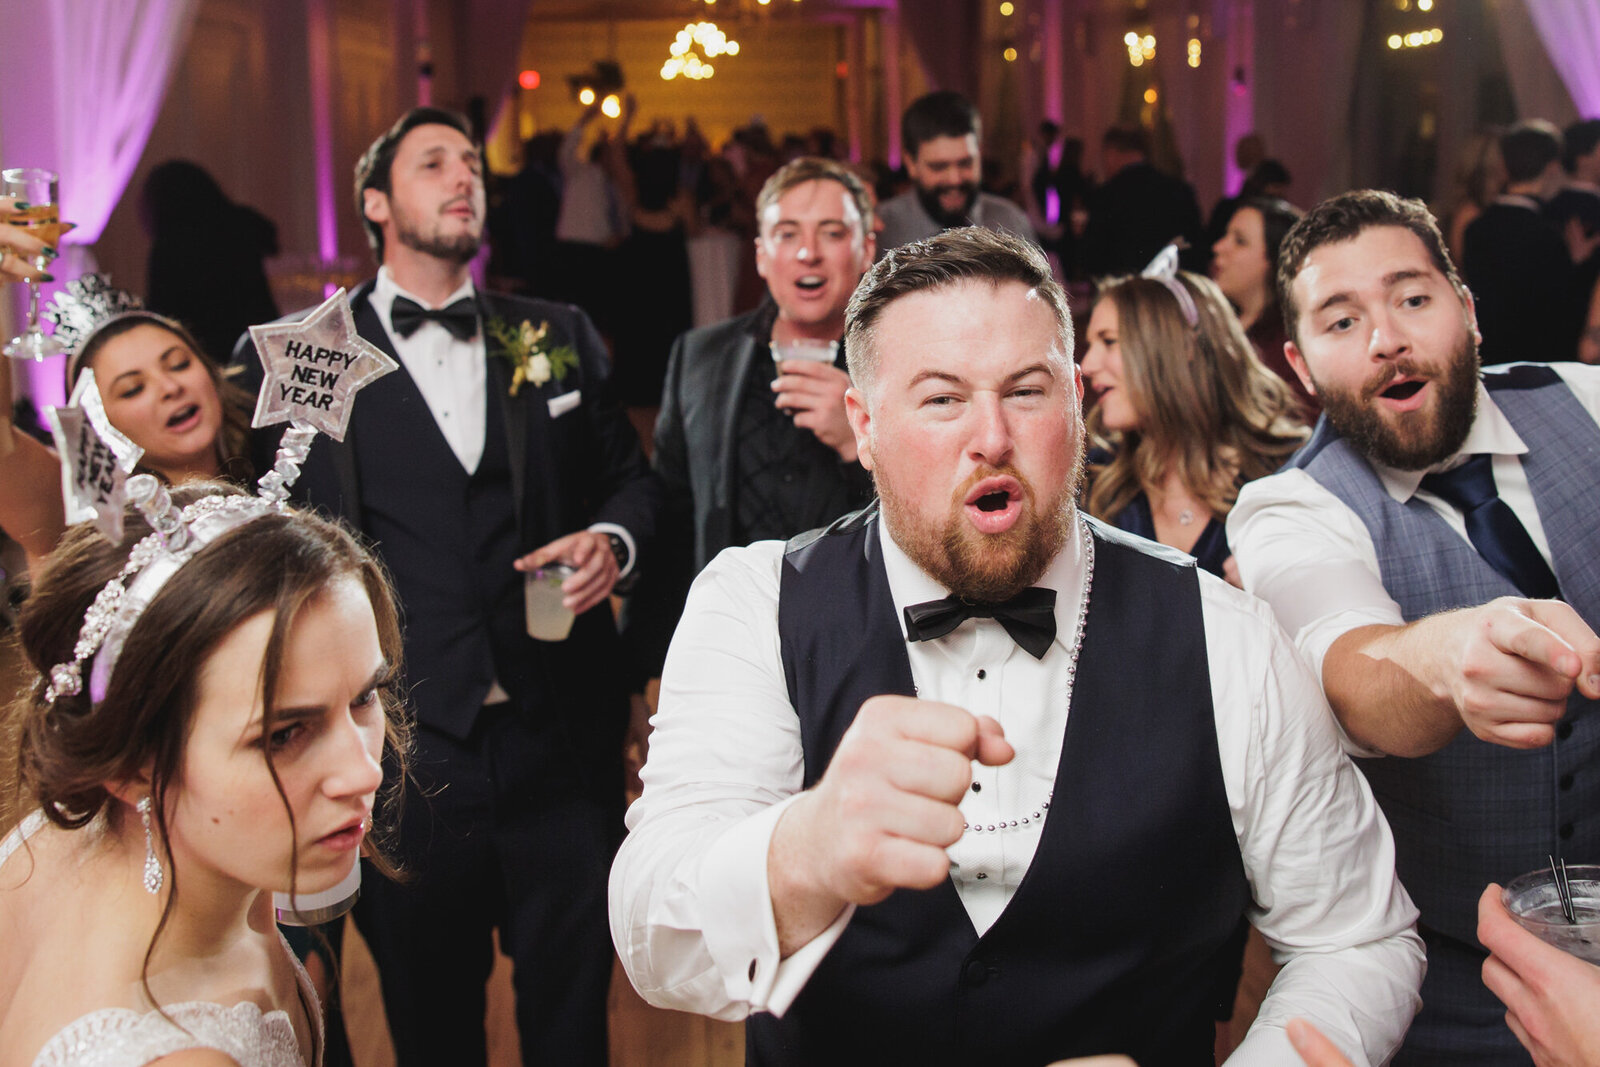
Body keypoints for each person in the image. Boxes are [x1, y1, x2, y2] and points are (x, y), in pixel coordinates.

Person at [611, 226, 1423, 1066]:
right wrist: (803, 851)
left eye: (1026, 391)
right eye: (941, 398)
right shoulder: (752, 604)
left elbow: (1357, 939)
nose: (991, 437)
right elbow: (653, 940)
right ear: (863, 422)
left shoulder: (1227, 635)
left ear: (1076, 401)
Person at [232, 106, 660, 1066]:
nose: (464, 177)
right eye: (434, 163)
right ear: (377, 202)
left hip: (561, 736)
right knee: (430, 1026)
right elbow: (277, 525)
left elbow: (631, 478)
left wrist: (610, 539)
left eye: (470, 162)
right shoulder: (313, 353)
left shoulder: (547, 332)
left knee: (572, 1016)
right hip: (404, 752)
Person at [1228, 189, 1600, 1063]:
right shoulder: (1289, 508)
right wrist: (1448, 660)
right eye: (1342, 319)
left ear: (1467, 312)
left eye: (1413, 299)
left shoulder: (1586, 402)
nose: (1386, 337)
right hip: (1453, 1001)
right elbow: (1352, 668)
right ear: (1302, 365)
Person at [1, 480, 409, 1066]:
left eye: (365, 696)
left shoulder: (61, 841)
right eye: (284, 734)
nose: (363, 772)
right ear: (129, 766)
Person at [623, 157, 876, 691]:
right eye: (788, 234)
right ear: (761, 254)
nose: (809, 252)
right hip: (730, 653)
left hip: (865, 652)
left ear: (867, 250)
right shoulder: (700, 357)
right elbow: (674, 515)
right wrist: (652, 665)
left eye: (832, 233)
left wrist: (863, 444)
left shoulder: (906, 366)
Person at [1, 276, 254, 567]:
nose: (170, 388)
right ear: (95, 427)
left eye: (178, 364)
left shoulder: (288, 465)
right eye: (133, 389)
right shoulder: (85, 516)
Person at [1080, 260, 1306, 582]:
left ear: (1181, 346)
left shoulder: (1286, 470)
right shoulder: (1097, 481)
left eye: (1109, 341)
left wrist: (1283, 584)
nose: (1087, 364)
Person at [1462, 120, 1597, 364]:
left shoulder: (1476, 228)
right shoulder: (1549, 234)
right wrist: (1576, 266)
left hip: (1487, 360)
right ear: (1553, 168)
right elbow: (1558, 312)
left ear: (1504, 165)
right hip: (1538, 368)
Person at [141, 159, 281, 365]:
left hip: (205, 354)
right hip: (261, 342)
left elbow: (162, 313)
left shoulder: (171, 246)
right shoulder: (238, 227)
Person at [874, 91, 1036, 255]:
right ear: (911, 164)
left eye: (965, 163)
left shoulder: (1011, 222)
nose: (955, 179)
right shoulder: (880, 229)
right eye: (939, 167)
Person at [1210, 196, 1316, 410]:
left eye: (1240, 241)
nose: (1219, 247)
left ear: (1273, 260)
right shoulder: (1215, 323)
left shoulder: (1291, 343)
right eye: (1225, 235)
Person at [1082, 125, 1204, 276]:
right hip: (1170, 289)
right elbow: (1195, 249)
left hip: (1123, 291)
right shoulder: (1179, 190)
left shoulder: (1108, 194)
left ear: (1111, 153)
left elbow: (1092, 256)